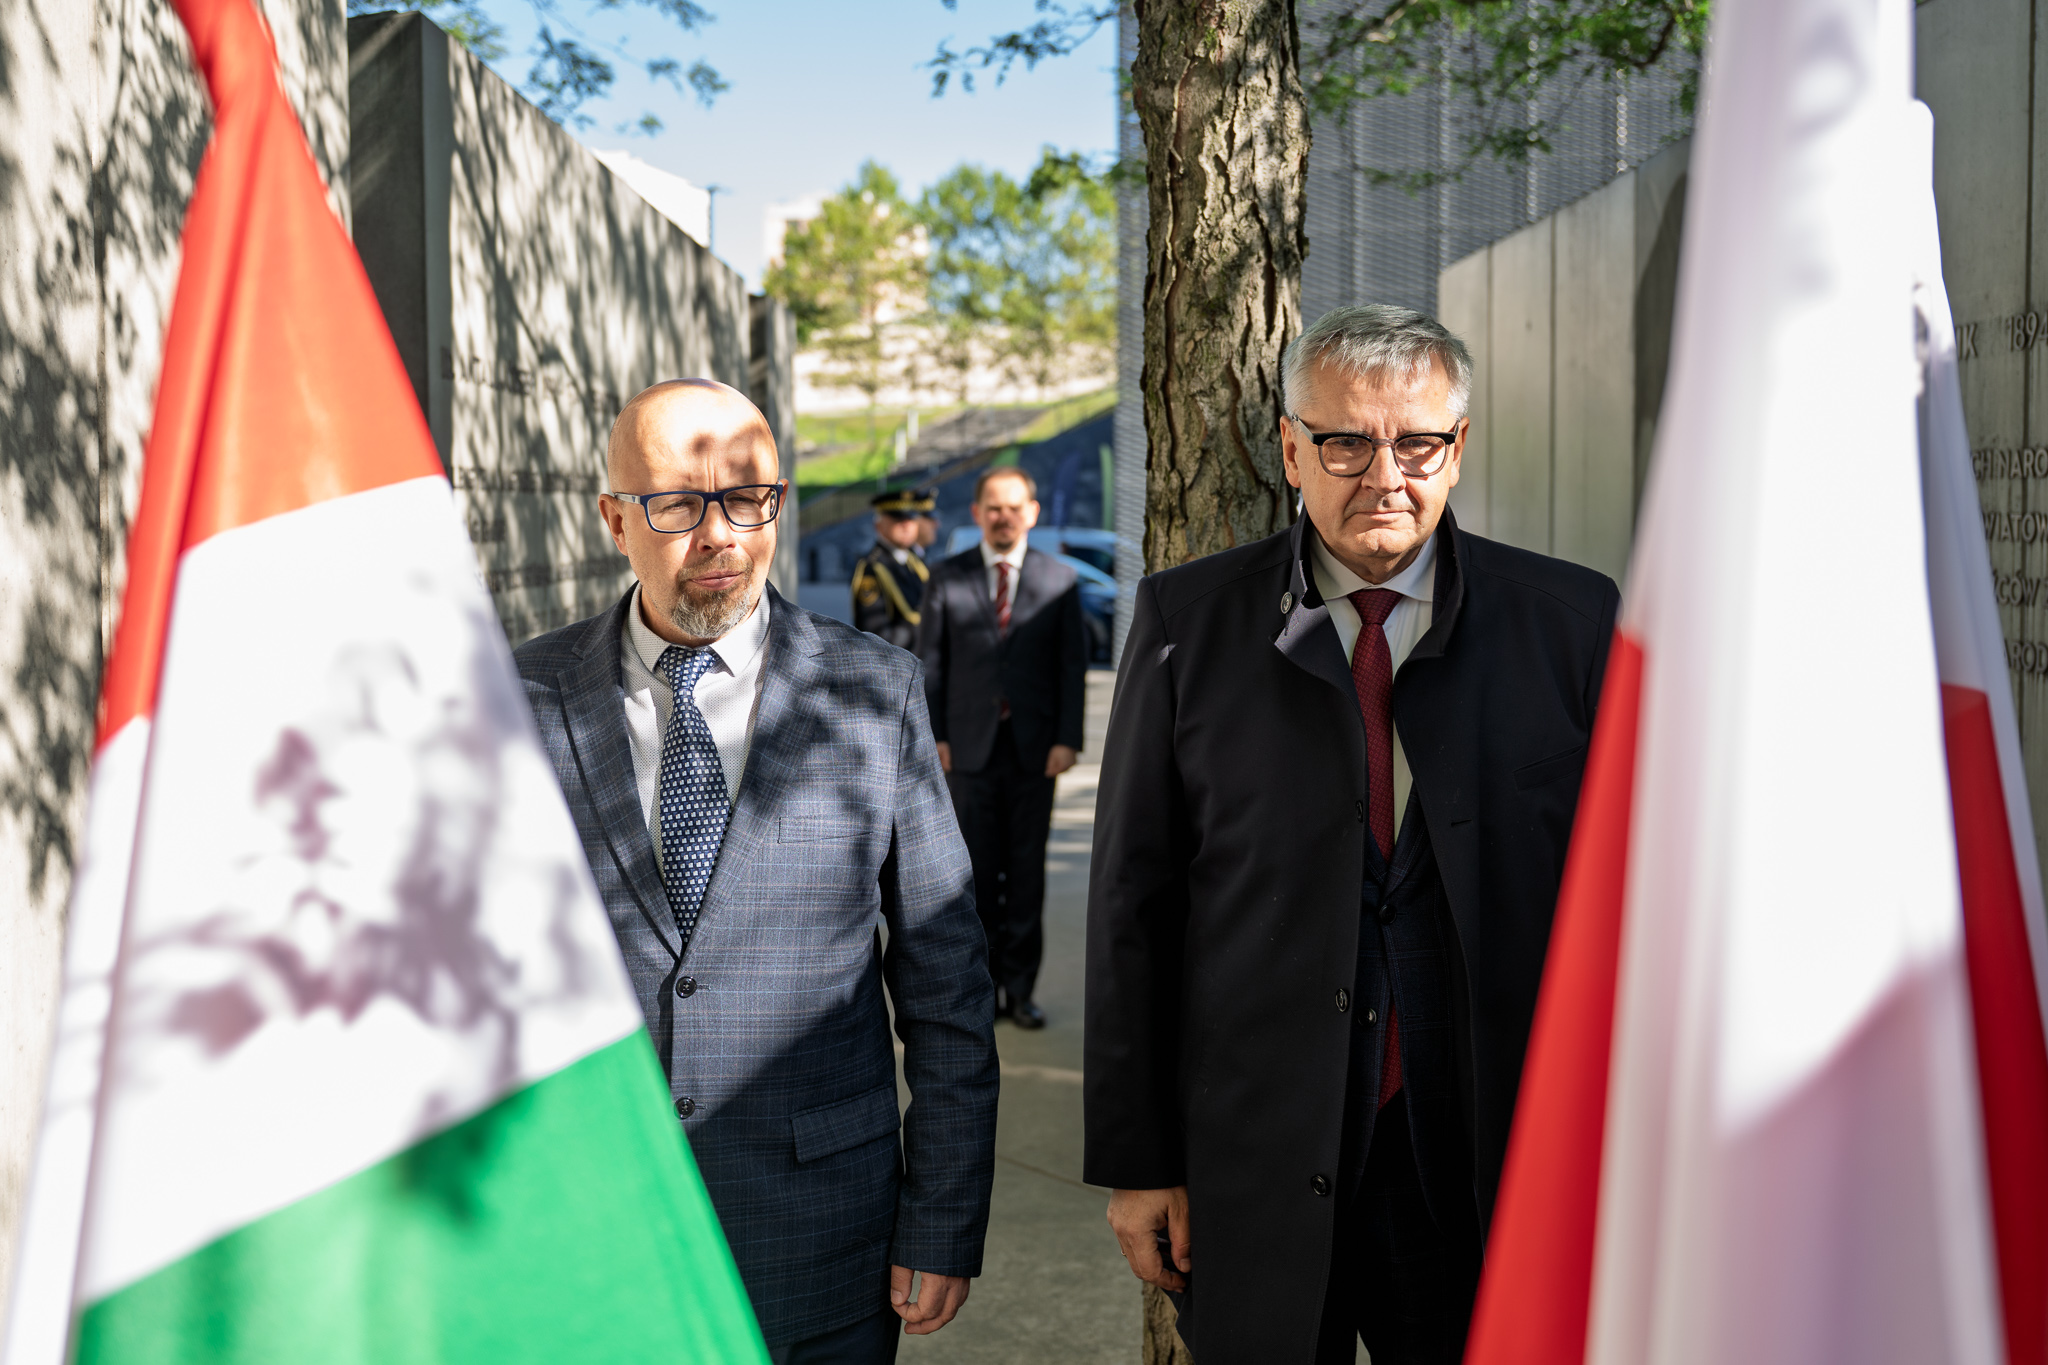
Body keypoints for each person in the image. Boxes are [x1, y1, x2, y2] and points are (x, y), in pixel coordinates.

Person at [1085, 306, 1620, 1364]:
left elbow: (1625, 910)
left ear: (1457, 447)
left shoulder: (1570, 624)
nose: (1385, 476)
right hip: (1257, 1164)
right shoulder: (1186, 623)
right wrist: (1139, 1161)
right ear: (1291, 449)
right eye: (1344, 442)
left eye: (1416, 442)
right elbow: (1132, 907)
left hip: (1492, 1167)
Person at [515, 380, 998, 1363]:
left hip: (822, 1242)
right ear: (615, 519)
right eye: (677, 504)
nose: (720, 535)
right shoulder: (516, 697)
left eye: (748, 498)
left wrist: (943, 1218)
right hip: (586, 1238)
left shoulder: (875, 691)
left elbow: (944, 981)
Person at [916, 467, 1087, 1030]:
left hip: (1036, 753)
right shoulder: (947, 577)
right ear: (977, 514)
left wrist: (1068, 739)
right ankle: (981, 990)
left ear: (1032, 514)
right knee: (977, 876)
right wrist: (935, 736)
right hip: (967, 752)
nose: (1003, 517)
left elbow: (1071, 667)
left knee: (1027, 873)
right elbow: (931, 665)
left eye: (1014, 507)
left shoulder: (1060, 580)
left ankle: (1021, 989)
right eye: (993, 507)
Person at [850, 486, 936, 650]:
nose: (906, 526)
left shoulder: (914, 561)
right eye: (898, 520)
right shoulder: (872, 568)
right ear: (879, 525)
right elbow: (876, 637)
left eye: (911, 519)